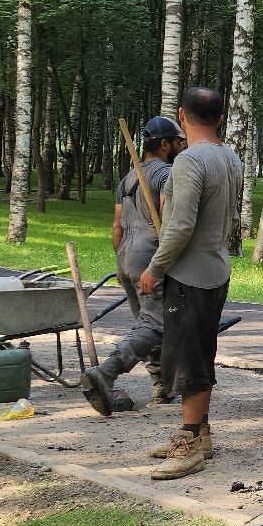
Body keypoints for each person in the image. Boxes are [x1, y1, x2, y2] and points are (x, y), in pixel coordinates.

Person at [137, 87, 243, 480]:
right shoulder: (230, 157)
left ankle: (188, 444)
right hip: (217, 268)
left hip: (190, 275)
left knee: (186, 360)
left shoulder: (189, 161)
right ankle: (201, 433)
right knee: (202, 352)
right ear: (220, 115)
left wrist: (154, 268)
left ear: (182, 115)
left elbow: (179, 226)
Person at [80, 116, 182, 415]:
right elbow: (169, 218)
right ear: (165, 145)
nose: (179, 147)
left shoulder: (128, 178)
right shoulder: (166, 174)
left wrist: (122, 264)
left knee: (148, 325)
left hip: (126, 256)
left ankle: (161, 386)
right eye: (177, 142)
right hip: (150, 254)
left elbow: (116, 227)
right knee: (156, 324)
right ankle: (106, 373)